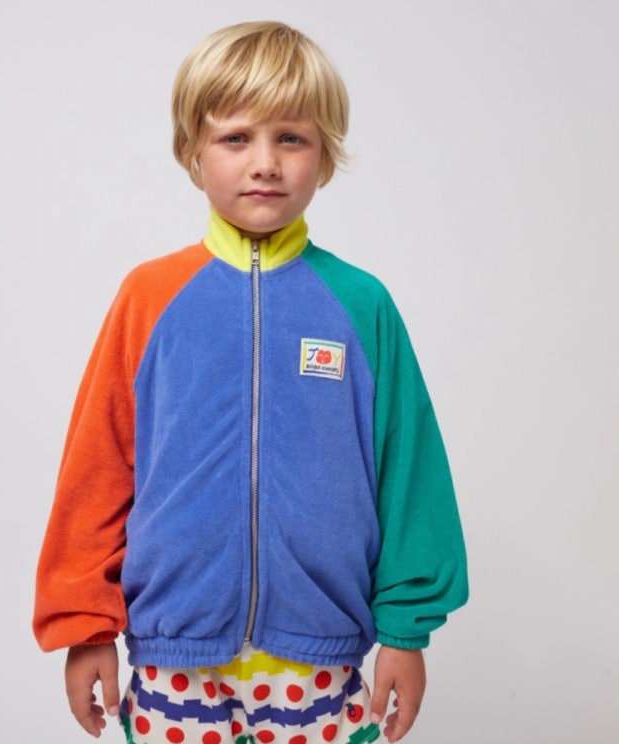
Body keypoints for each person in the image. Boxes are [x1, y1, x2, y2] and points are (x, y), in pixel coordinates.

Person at [33, 20, 468, 744]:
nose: (264, 163)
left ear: (325, 155)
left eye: (291, 138)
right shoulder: (149, 298)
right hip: (175, 652)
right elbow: (97, 463)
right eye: (236, 138)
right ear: (192, 152)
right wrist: (86, 626)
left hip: (318, 654)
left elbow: (409, 471)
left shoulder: (361, 305)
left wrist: (405, 630)